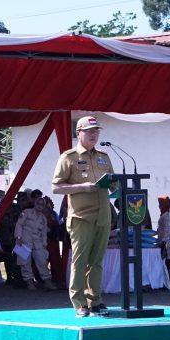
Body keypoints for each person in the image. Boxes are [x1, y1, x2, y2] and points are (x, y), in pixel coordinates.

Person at [52, 115, 116, 317]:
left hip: (103, 215)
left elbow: (114, 182)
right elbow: (56, 187)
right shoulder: (68, 157)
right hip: (81, 217)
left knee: (97, 261)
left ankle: (95, 300)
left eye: (96, 131)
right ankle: (79, 302)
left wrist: (116, 185)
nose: (94, 134)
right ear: (78, 133)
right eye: (89, 131)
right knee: (80, 260)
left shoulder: (104, 157)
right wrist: (82, 187)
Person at [15, 196, 54, 290]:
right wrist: (18, 237)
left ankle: (47, 281)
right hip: (24, 240)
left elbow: (44, 232)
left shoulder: (43, 218)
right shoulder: (26, 212)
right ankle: (29, 282)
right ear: (34, 204)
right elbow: (19, 224)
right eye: (38, 203)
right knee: (24, 263)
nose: (40, 206)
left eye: (42, 204)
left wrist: (44, 244)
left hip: (37, 242)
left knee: (42, 261)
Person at [156, 195, 170, 265]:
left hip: (166, 246)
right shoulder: (167, 214)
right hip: (166, 244)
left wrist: (160, 243)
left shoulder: (166, 216)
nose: (159, 206)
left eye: (160, 204)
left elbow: (166, 232)